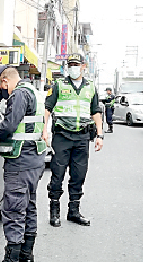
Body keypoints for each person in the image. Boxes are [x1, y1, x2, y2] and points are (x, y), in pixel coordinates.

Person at [0, 65, 47, 262]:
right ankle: (26, 257)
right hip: (34, 160)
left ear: (5, 82)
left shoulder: (18, 94)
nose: (3, 92)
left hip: (20, 162)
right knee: (28, 207)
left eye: (1, 88)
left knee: (13, 211)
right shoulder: (35, 92)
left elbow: (9, 126)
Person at [43, 53, 104, 227]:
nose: (73, 67)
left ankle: (73, 212)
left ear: (83, 66)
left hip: (82, 137)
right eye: (70, 65)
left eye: (76, 64)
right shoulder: (59, 85)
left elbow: (96, 111)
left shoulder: (90, 87)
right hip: (62, 136)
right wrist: (44, 131)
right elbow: (47, 109)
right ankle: (54, 212)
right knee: (57, 174)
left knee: (78, 175)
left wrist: (99, 135)